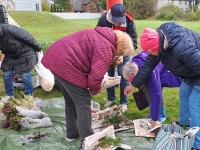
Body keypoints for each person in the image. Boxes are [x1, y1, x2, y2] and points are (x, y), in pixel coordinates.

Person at [41, 27, 134, 149]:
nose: (120, 55)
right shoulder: (106, 47)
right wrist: (96, 89)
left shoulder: (104, 35)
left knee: (70, 100)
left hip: (56, 56)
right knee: (83, 102)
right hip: (66, 63)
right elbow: (95, 77)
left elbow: (93, 58)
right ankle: (87, 142)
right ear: (120, 46)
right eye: (121, 52)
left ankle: (72, 134)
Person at [124, 22, 200, 150]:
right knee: (184, 93)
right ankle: (184, 121)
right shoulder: (158, 43)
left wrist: (155, 117)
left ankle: (197, 143)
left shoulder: (183, 48)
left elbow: (156, 95)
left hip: (198, 70)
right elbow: (148, 65)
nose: (152, 54)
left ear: (159, 45)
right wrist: (133, 84)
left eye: (152, 52)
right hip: (190, 72)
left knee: (195, 103)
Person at [97, 3, 138, 112]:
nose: (118, 23)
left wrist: (123, 55)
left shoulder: (129, 21)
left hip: (123, 54)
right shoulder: (103, 20)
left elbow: (134, 42)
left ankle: (123, 102)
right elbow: (97, 36)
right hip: (108, 53)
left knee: (123, 76)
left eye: (120, 21)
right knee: (109, 75)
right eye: (115, 21)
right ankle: (111, 98)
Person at [123, 51, 182, 123]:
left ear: (137, 73)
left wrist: (154, 119)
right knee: (150, 94)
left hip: (163, 70)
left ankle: (159, 117)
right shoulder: (134, 63)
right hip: (155, 68)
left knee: (154, 95)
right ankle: (154, 115)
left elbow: (156, 95)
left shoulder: (152, 73)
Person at [0, 24, 42, 103]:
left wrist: (38, 47)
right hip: (10, 55)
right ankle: (9, 94)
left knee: (25, 74)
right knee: (6, 73)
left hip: (25, 52)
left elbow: (26, 36)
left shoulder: (9, 29)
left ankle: (29, 95)